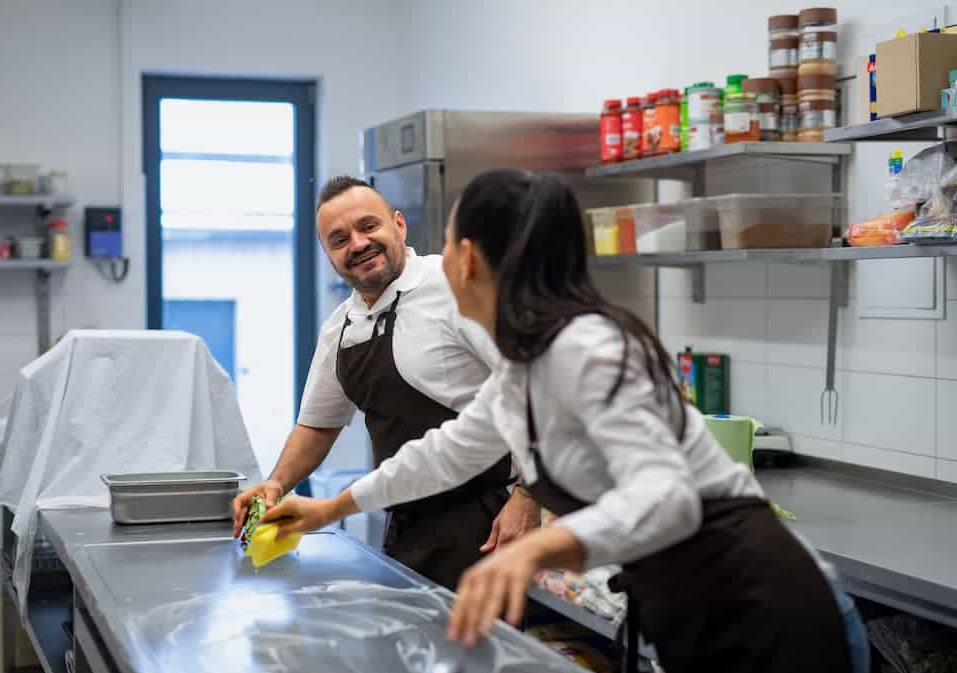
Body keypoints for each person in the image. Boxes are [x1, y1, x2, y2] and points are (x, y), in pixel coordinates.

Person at [261, 170, 868, 673]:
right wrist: (329, 508)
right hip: (695, 608)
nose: (438, 260)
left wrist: (532, 551)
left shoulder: (587, 346)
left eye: (447, 244)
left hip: (763, 603)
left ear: (469, 260)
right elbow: (445, 452)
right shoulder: (527, 364)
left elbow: (670, 499)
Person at [231, 176, 541, 591]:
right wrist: (276, 483)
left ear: (399, 224)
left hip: (485, 520)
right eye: (339, 239)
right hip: (406, 522)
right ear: (330, 257)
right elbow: (318, 425)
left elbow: (533, 383)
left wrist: (529, 496)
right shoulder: (340, 329)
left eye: (368, 226)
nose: (357, 244)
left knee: (479, 652)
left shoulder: (454, 286)